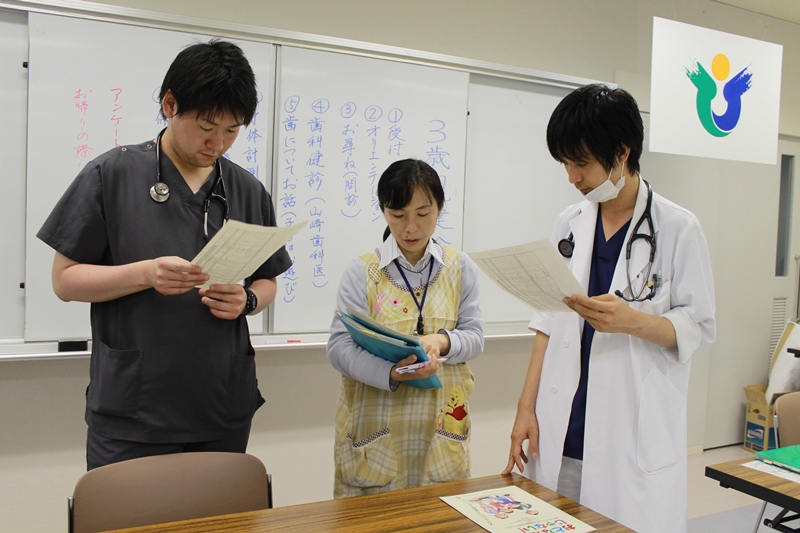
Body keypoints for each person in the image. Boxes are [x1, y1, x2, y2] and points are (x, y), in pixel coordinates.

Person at [37, 39, 292, 470]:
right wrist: (145, 274)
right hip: (134, 410)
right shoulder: (111, 174)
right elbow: (65, 281)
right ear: (170, 104)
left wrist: (248, 300)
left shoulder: (247, 190)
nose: (218, 143)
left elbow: (267, 279)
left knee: (217, 507)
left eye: (232, 130)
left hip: (220, 405)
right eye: (207, 126)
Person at [502, 84, 716, 533]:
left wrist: (633, 322)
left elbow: (697, 326)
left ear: (621, 153)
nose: (572, 177)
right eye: (565, 163)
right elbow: (547, 321)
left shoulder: (679, 228)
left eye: (581, 163)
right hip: (564, 424)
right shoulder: (571, 221)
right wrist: (525, 408)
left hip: (630, 433)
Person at [327, 158, 484, 498]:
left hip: (439, 430)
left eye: (423, 213)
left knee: (439, 515)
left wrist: (440, 342)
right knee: (373, 518)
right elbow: (339, 348)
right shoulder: (362, 271)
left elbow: (475, 337)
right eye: (397, 215)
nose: (410, 228)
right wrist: (391, 372)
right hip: (376, 428)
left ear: (440, 208)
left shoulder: (460, 267)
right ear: (383, 210)